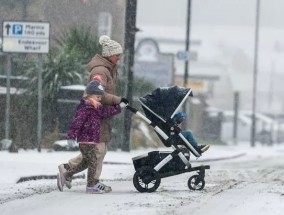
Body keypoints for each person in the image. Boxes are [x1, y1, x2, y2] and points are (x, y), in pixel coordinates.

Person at [57, 35, 127, 192]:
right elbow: (98, 93)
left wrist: (119, 105)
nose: (119, 58)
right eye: (117, 55)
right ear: (109, 55)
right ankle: (92, 183)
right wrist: (118, 100)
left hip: (99, 119)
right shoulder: (101, 72)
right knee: (98, 152)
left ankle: (68, 170)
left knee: (95, 153)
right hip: (95, 122)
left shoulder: (107, 70)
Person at [57, 80, 128, 194]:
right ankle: (90, 186)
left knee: (86, 163)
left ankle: (65, 175)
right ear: (89, 94)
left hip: (91, 141)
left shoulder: (96, 106)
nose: (100, 98)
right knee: (93, 162)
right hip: (85, 141)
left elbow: (106, 112)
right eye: (97, 96)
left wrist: (119, 107)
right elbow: (77, 122)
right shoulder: (85, 107)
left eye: (101, 96)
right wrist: (71, 136)